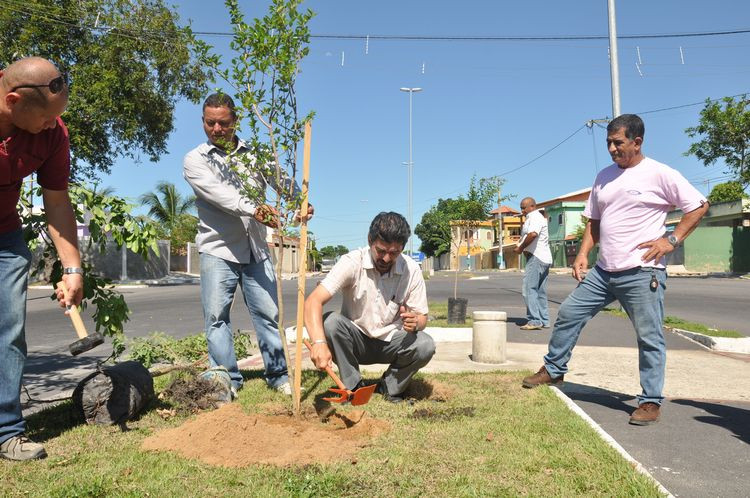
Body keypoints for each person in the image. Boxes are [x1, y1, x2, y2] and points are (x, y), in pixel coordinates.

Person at [522, 114, 709, 426]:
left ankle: (650, 400)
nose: (611, 148)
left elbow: (698, 205)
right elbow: (594, 220)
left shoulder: (660, 173)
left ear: (637, 142)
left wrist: (671, 240)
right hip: (603, 271)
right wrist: (583, 254)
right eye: (608, 142)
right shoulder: (604, 176)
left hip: (642, 271)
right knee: (569, 313)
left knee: (649, 336)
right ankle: (554, 371)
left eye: (618, 142)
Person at [183, 93, 313, 396]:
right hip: (217, 249)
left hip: (256, 248)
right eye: (210, 122)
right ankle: (227, 378)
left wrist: (301, 201)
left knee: (268, 314)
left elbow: (282, 182)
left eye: (223, 123)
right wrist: (254, 209)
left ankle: (279, 374)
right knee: (216, 318)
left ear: (235, 121)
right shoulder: (195, 160)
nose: (216, 129)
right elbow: (219, 195)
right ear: (203, 121)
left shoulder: (255, 154)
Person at [0, 57, 83, 461]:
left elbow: (56, 203)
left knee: (8, 330)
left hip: (5, 238)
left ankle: (6, 432)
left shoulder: (52, 133)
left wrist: (72, 268)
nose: (53, 125)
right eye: (47, 117)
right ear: (13, 101)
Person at [304, 212, 434, 403]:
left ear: (403, 248)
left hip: (391, 342)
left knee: (425, 345)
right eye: (381, 251)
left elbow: (422, 317)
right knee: (331, 323)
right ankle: (354, 386)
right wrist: (319, 344)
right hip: (356, 340)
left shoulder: (411, 270)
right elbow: (313, 301)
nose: (387, 259)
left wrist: (416, 322)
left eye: (394, 253)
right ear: (369, 240)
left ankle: (390, 387)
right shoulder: (352, 262)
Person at [514, 197, 552, 330]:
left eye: (524, 207)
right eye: (521, 208)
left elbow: (533, 234)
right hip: (544, 258)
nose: (522, 210)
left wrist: (521, 247)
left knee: (528, 289)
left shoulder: (534, 217)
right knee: (539, 291)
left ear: (532, 206)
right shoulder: (536, 217)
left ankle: (534, 320)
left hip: (536, 258)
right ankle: (544, 320)